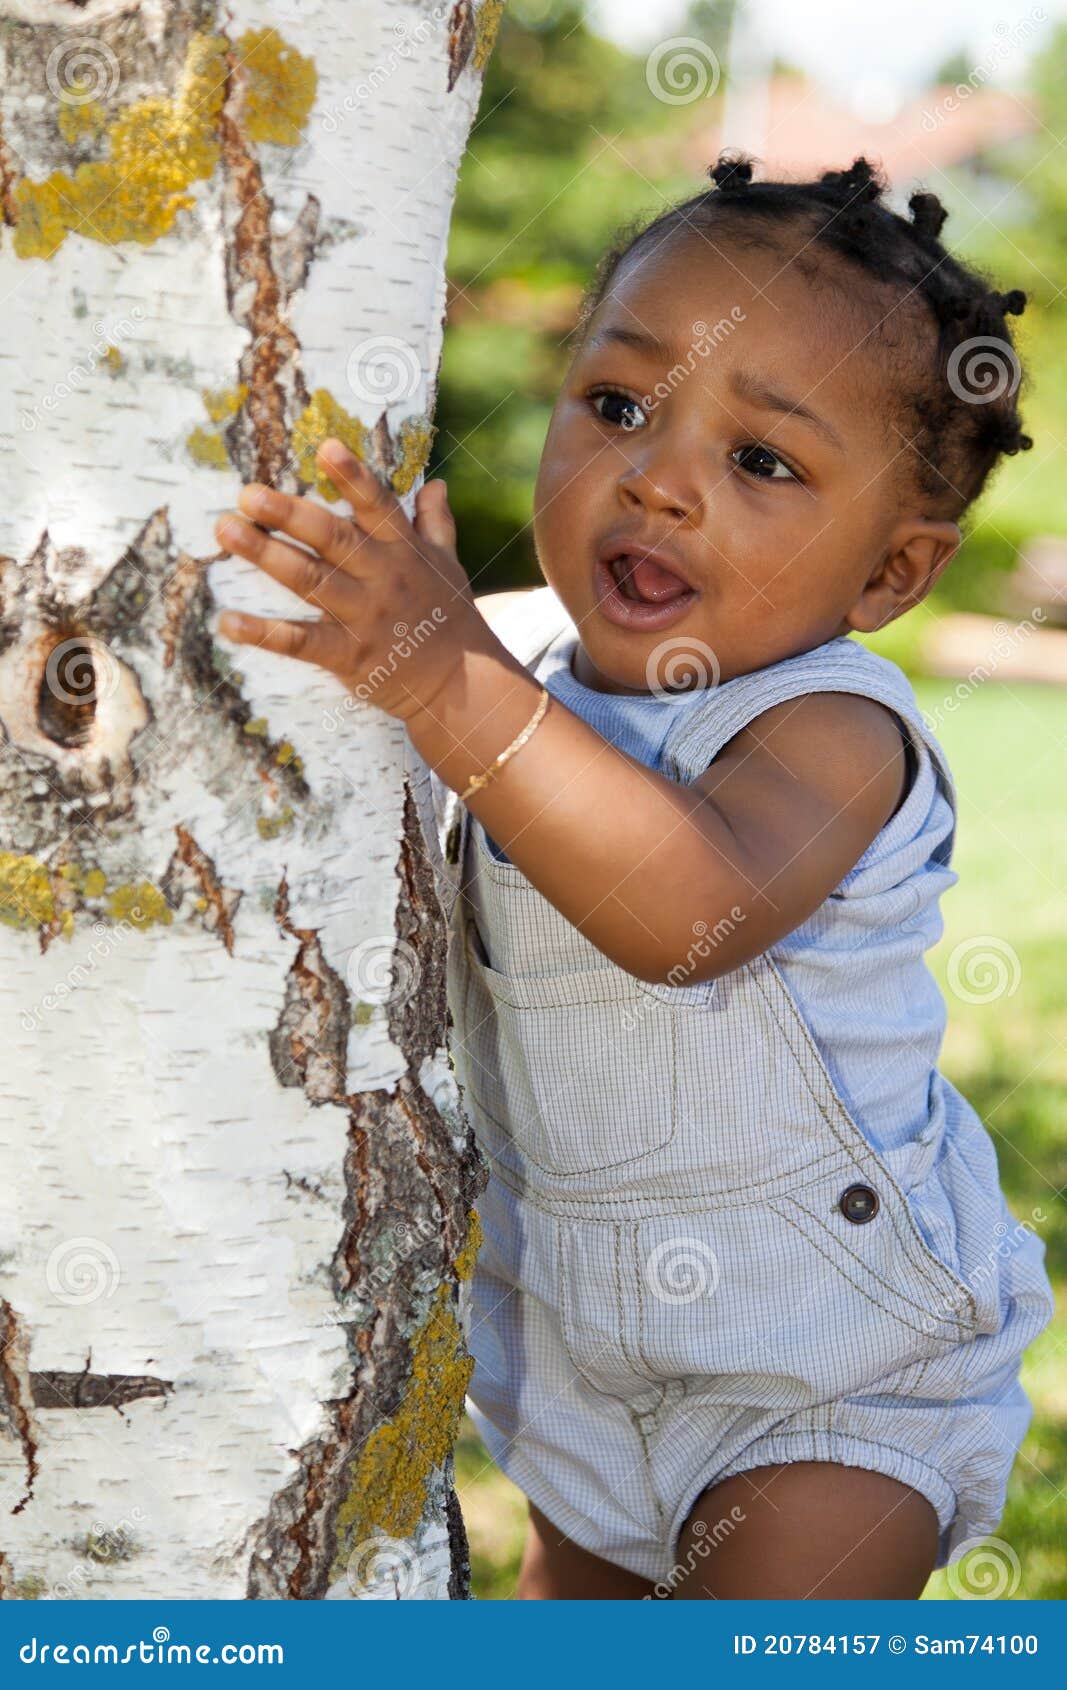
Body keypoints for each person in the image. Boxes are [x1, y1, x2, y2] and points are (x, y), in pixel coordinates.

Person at [213, 152, 1055, 1600]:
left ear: (890, 576)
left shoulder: (831, 729)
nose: (658, 479)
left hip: (828, 1384)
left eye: (764, 462)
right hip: (581, 1366)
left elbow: (690, 909)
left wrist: (440, 677)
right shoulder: (511, 653)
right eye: (618, 405)